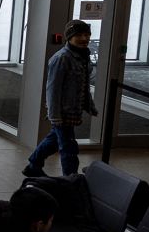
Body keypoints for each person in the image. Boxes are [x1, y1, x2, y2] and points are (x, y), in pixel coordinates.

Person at [25, 19, 98, 178]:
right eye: (79, 35)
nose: (84, 38)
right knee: (69, 147)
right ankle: (71, 179)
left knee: (53, 141)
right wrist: (54, 115)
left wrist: (89, 105)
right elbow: (52, 89)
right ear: (69, 37)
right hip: (62, 112)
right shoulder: (62, 58)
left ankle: (33, 164)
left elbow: (83, 84)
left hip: (73, 110)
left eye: (87, 35)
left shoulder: (83, 57)